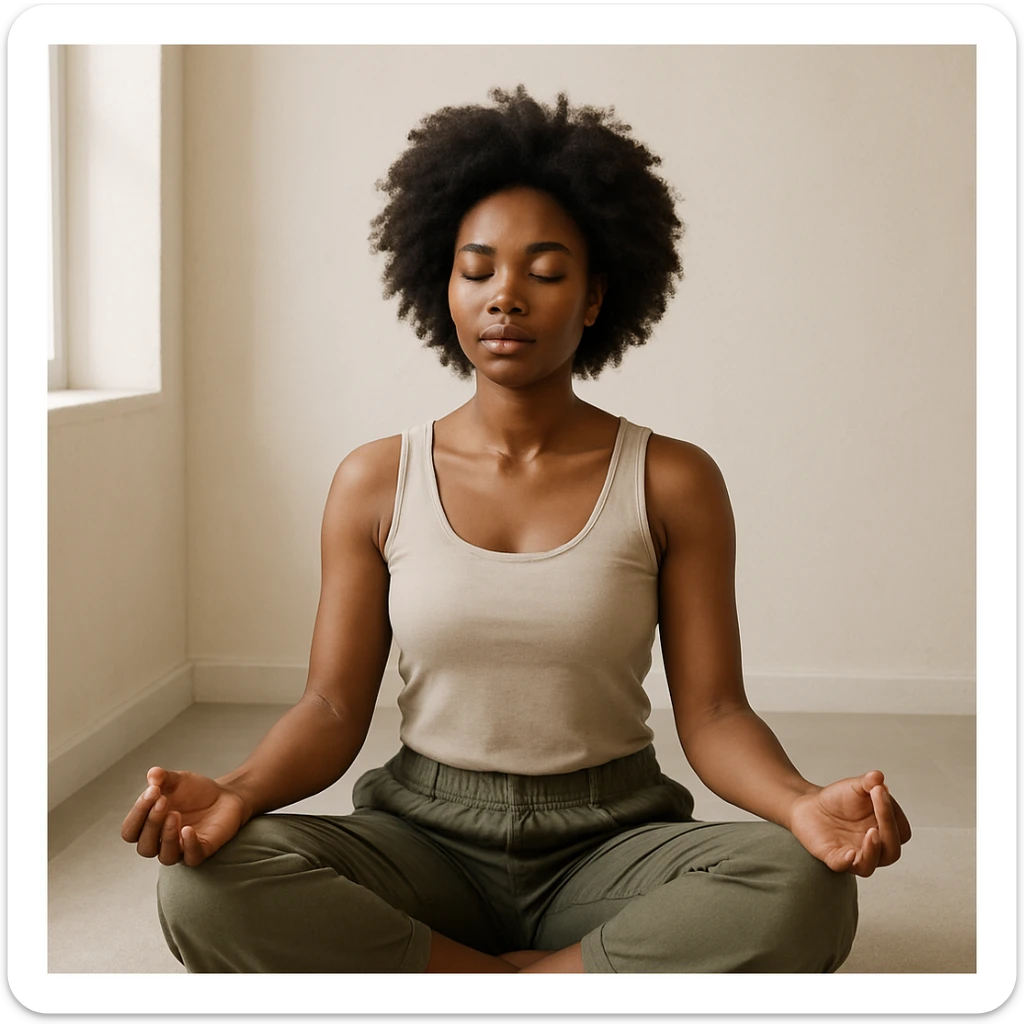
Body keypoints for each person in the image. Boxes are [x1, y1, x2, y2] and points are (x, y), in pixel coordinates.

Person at [121, 85, 911, 974]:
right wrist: (231, 793)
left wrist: (802, 802)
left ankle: (467, 978)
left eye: (543, 272)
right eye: (478, 268)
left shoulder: (674, 479)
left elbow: (716, 712)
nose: (507, 297)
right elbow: (332, 706)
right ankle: (557, 980)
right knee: (201, 884)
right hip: (421, 839)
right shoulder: (375, 479)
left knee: (803, 887)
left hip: (609, 843)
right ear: (442, 286)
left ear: (594, 296)